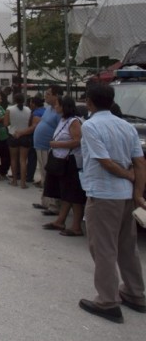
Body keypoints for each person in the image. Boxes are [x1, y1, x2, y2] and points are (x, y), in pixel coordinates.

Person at [77, 84, 146, 324]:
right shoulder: (126, 126)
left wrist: (126, 176)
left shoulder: (91, 126)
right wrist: (137, 193)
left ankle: (107, 301)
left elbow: (104, 161)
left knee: (103, 248)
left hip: (103, 195)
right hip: (126, 197)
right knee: (127, 247)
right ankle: (135, 293)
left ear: (89, 102)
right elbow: (139, 162)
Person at [41, 97, 85, 237]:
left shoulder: (74, 121)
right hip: (61, 159)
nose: (55, 107)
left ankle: (76, 226)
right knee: (66, 194)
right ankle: (60, 220)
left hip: (70, 162)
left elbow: (77, 141)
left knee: (74, 195)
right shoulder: (63, 119)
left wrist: (57, 144)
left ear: (64, 106)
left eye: (57, 105)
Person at [32, 86, 63, 213]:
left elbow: (61, 130)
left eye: (49, 94)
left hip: (48, 147)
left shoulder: (59, 111)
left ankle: (54, 205)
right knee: (44, 175)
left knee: (50, 177)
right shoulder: (49, 109)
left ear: (57, 96)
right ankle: (45, 202)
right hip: (40, 146)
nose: (46, 96)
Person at [4, 93, 32, 189]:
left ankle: (14, 180)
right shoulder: (28, 110)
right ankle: (23, 183)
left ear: (14, 100)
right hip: (25, 135)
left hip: (13, 135)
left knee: (13, 159)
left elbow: (6, 123)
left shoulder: (9, 109)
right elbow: (29, 124)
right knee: (23, 160)